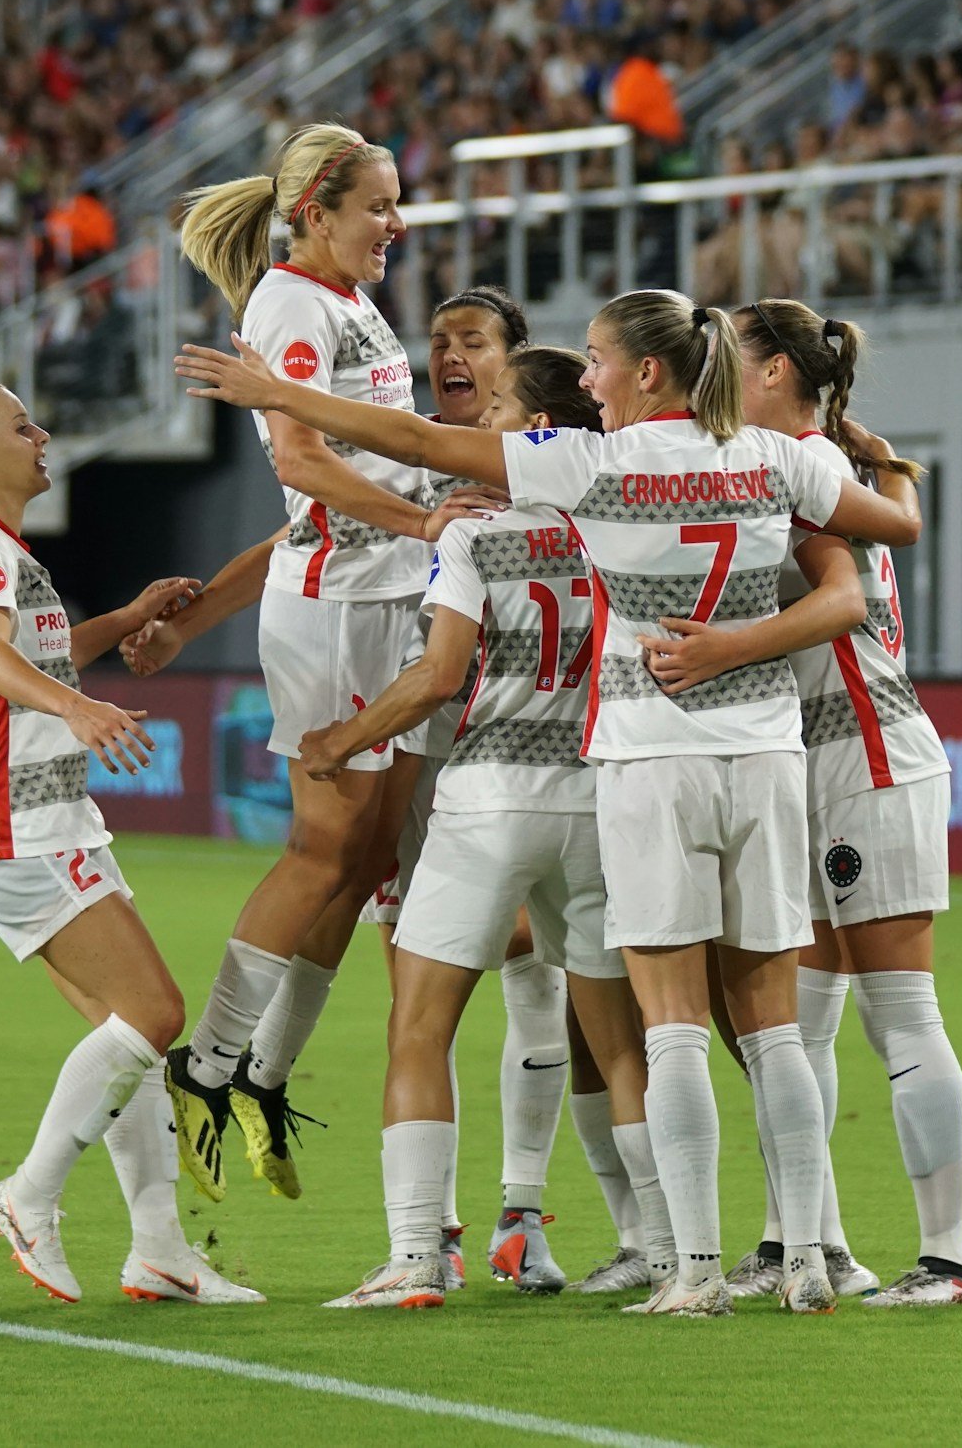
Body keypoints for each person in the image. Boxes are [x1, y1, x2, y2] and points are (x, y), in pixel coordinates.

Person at [176, 286, 926, 1316]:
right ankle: (801, 1256)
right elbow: (892, 529)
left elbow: (414, 450)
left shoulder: (586, 470)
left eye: (599, 358)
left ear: (647, 372)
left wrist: (278, 395)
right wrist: (883, 460)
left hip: (619, 767)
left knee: (634, 1028)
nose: (588, 376)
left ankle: (662, 1266)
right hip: (750, 759)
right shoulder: (774, 457)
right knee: (763, 1030)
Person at [121, 286, 563, 1287]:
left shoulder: (551, 461)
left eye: (475, 340)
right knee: (417, 972)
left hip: (509, 745)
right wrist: (193, 620)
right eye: (439, 340)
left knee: (534, 966)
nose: (452, 356)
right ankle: (431, 1228)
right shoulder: (413, 453)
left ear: (516, 359)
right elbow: (306, 534)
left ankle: (524, 1213)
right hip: (423, 731)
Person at [0, 368, 254, 1307]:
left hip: (32, 821)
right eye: (21, 426)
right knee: (154, 1013)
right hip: (17, 822)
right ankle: (29, 1193)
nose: (43, 437)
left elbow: (28, 650)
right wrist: (78, 707)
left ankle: (160, 1252)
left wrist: (127, 619)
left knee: (124, 1037)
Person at [160, 123, 486, 1209]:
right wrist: (425, 519)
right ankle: (207, 1065)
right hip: (339, 607)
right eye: (378, 205)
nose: (397, 223)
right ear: (315, 212)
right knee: (321, 849)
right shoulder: (293, 305)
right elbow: (301, 462)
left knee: (369, 857)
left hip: (386, 593)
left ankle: (264, 1072)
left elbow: (356, 454)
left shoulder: (349, 300)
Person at [291, 349, 653, 1310]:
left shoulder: (474, 538)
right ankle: (662, 1245)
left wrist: (343, 739)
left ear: (536, 430)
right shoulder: (623, 525)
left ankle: (416, 1254)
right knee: (618, 1043)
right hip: (595, 800)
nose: (482, 420)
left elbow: (439, 675)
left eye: (498, 405)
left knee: (419, 1023)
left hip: (489, 798)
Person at [672, 299, 962, 1309]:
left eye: (728, 354)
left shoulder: (796, 469)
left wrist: (723, 648)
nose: (711, 371)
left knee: (900, 1012)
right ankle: (806, 1238)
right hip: (810, 757)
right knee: (796, 1022)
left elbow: (840, 601)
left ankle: (949, 1257)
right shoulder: (816, 464)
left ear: (771, 372)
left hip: (866, 753)